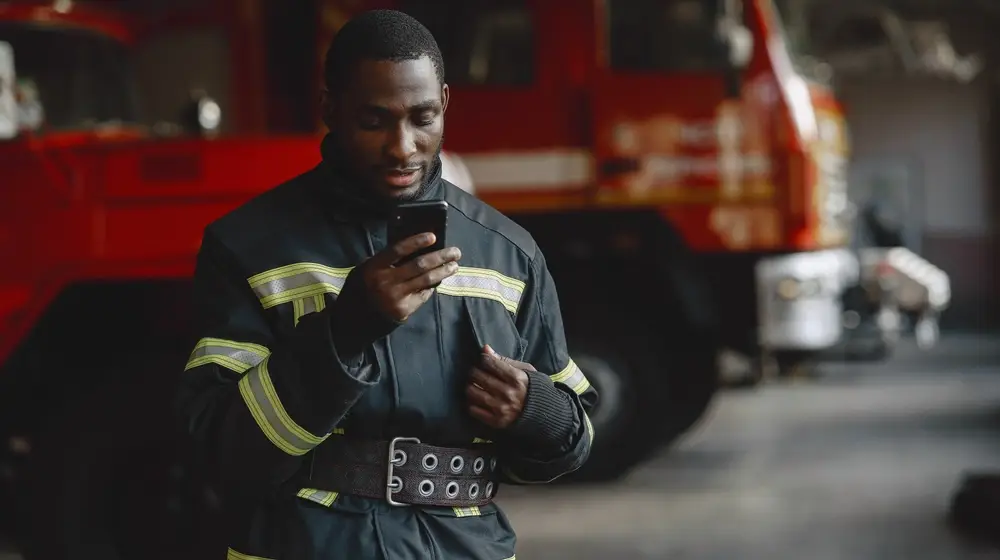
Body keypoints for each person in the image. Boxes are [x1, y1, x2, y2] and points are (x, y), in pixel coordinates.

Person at [175, 9, 597, 559]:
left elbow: (580, 431)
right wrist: (344, 332)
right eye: (374, 121)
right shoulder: (250, 248)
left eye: (422, 118)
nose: (402, 147)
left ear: (445, 102)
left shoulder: (509, 254)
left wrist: (535, 409)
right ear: (330, 109)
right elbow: (218, 448)